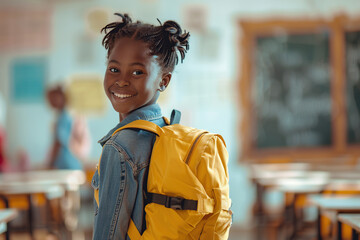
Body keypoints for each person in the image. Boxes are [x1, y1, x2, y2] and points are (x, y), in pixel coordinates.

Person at [92, 13, 189, 239]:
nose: (122, 80)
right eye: (114, 69)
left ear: (163, 81)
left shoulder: (119, 147)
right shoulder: (168, 130)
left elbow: (108, 233)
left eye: (137, 72)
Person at [46, 85, 83, 170]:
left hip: (66, 163)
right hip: (68, 161)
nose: (50, 102)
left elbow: (59, 142)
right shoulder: (63, 116)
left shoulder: (63, 118)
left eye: (53, 99)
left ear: (62, 99)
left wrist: (50, 163)